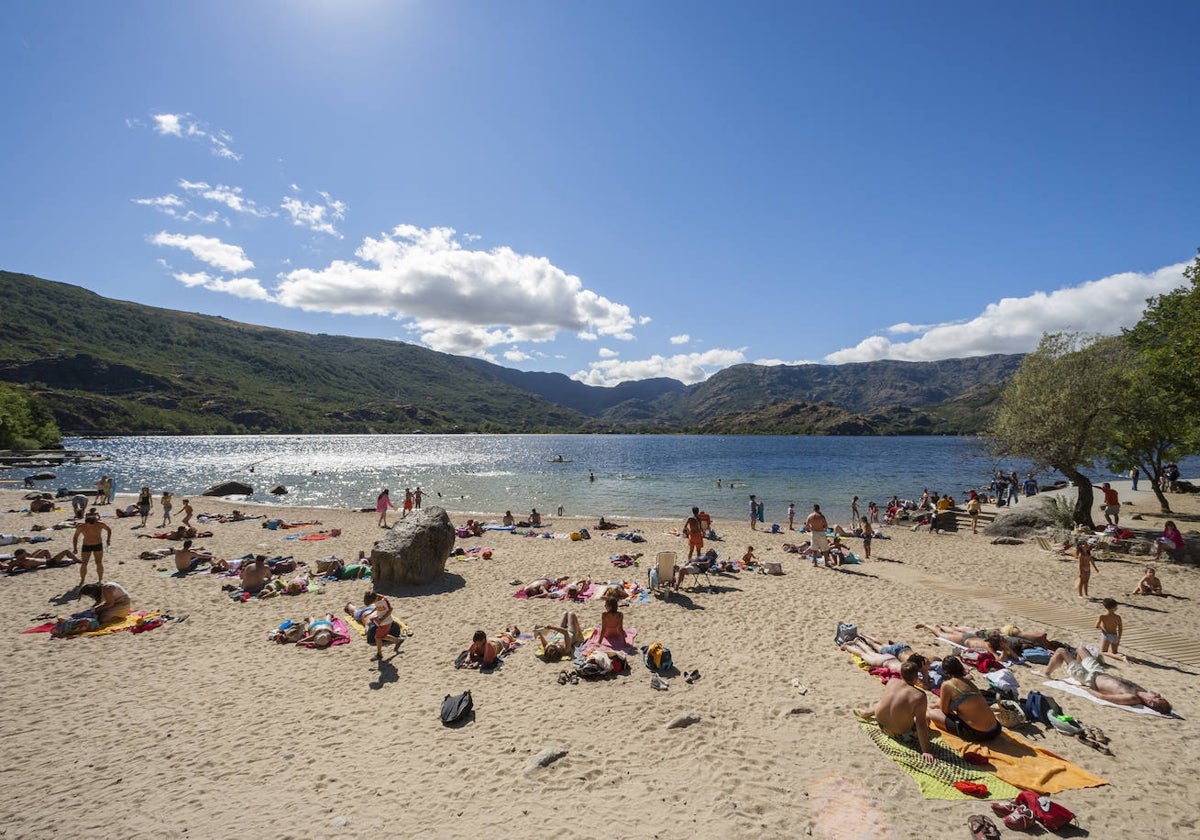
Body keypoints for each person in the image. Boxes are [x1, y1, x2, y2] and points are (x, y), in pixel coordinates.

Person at [1045, 646, 1171, 714]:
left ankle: (1046, 673)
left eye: (1158, 698)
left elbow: (1103, 697)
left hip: (1088, 678)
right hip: (1098, 671)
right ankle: (1076, 665)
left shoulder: (1132, 698)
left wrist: (1084, 689)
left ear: (1151, 703)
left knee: (1061, 651)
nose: (1158, 694)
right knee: (1081, 649)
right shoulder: (1141, 691)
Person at [855, 658, 935, 763]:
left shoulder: (892, 681)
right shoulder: (919, 696)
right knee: (926, 719)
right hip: (898, 734)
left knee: (888, 702)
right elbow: (920, 724)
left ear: (901, 673)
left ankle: (868, 712)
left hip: (881, 724)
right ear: (916, 676)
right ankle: (871, 713)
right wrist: (926, 750)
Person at [926, 655, 1002, 742]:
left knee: (932, 713)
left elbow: (945, 711)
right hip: (996, 728)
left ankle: (930, 708)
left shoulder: (947, 685)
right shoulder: (969, 683)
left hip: (979, 733)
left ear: (945, 671)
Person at [914, 623, 1022, 661]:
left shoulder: (993, 645)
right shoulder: (989, 646)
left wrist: (1007, 649)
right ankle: (926, 625)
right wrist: (1004, 649)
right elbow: (999, 660)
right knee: (940, 634)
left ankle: (942, 626)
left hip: (970, 638)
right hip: (964, 640)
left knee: (952, 632)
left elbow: (1016, 658)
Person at [72, 510, 111, 587]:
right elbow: (75, 537)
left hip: (98, 545)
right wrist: (75, 548)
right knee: (84, 563)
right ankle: (82, 580)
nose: (91, 526)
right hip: (86, 545)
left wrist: (108, 540)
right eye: (89, 524)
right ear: (86, 522)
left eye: (93, 524)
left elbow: (109, 530)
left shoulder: (100, 524)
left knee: (99, 562)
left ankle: (100, 580)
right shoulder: (81, 527)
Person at [362, 590, 406, 660]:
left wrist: (382, 619)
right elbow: (377, 607)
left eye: (373, 602)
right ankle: (398, 641)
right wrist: (370, 613)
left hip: (386, 621)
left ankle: (379, 654)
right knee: (382, 636)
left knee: (377, 637)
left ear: (375, 598)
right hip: (381, 621)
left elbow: (390, 610)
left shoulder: (384, 600)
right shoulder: (376, 598)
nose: (373, 603)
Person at [0, 547, 80, 572]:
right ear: (20, 555)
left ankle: (76, 560)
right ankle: (78, 560)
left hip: (48, 562)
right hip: (49, 562)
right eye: (24, 554)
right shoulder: (24, 561)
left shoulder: (18, 561)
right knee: (66, 551)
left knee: (66, 558)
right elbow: (28, 568)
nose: (26, 554)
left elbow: (9, 570)